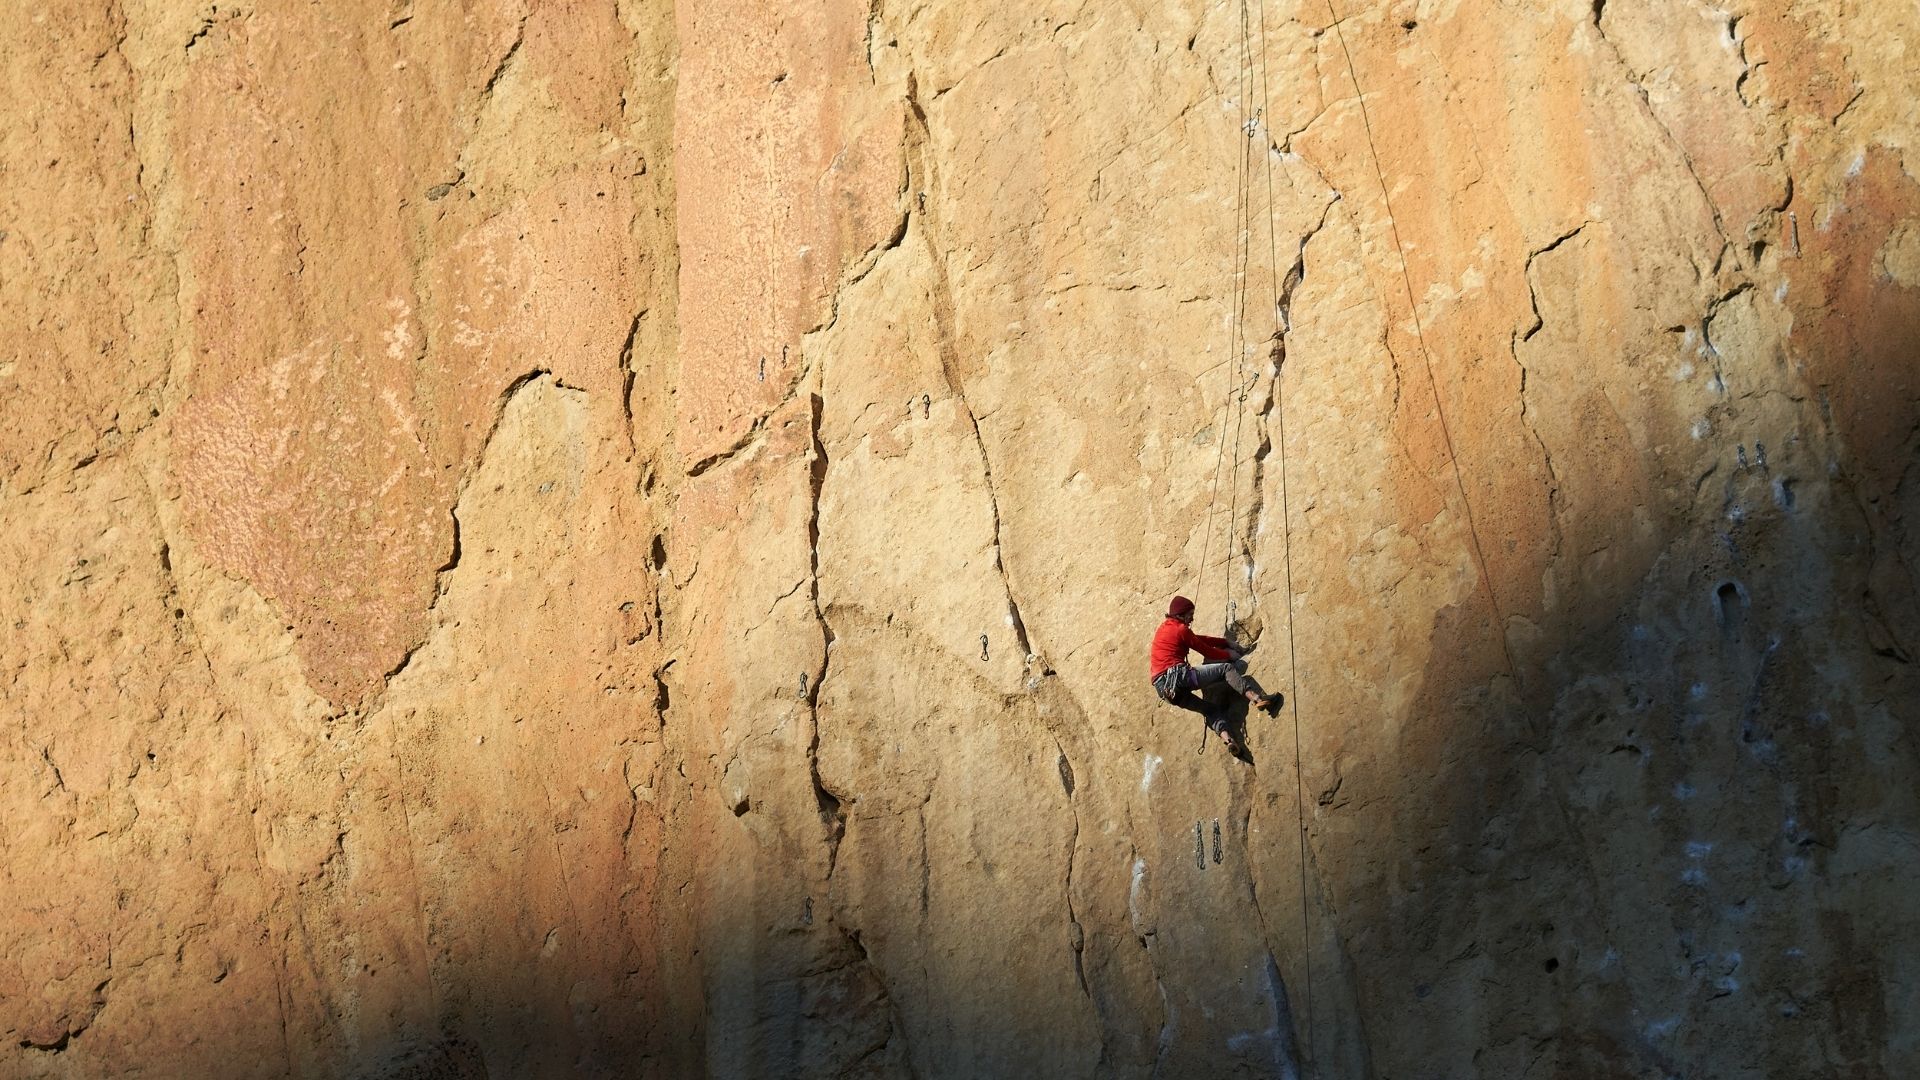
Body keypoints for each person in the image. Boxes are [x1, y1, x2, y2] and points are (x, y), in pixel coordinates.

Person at [1149, 595, 1277, 754]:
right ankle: (1257, 698)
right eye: (1190, 615)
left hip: (1165, 691)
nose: (1191, 619)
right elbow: (1205, 650)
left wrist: (1224, 643)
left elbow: (1198, 639)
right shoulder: (1181, 629)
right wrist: (1229, 655)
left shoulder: (1165, 628)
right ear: (1180, 615)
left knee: (1210, 710)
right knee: (1226, 669)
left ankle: (1229, 740)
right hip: (1179, 676)